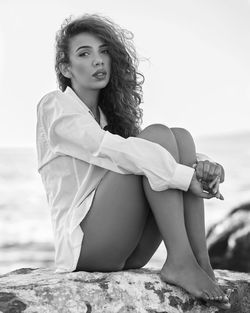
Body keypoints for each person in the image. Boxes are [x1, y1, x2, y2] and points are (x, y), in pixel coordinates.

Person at [36, 13, 231, 309]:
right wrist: (184, 176)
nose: (98, 61)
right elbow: (107, 148)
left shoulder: (110, 118)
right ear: (66, 67)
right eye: (84, 53)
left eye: (104, 52)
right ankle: (179, 259)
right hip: (86, 248)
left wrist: (202, 166)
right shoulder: (56, 107)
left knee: (179, 136)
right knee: (156, 139)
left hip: (128, 249)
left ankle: (200, 261)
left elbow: (143, 152)